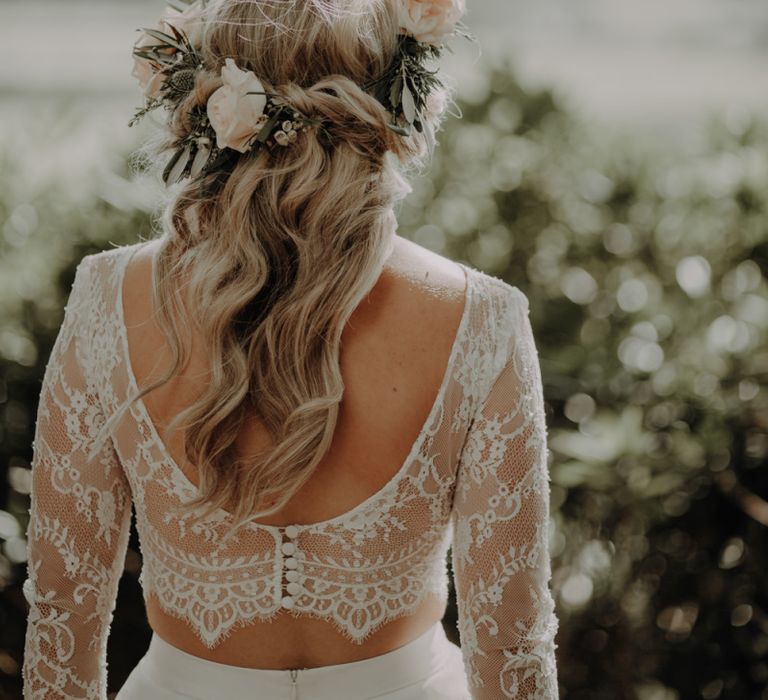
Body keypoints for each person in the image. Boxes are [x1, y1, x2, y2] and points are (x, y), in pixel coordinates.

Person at [21, 1, 560, 698]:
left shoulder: (108, 300)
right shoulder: (480, 319)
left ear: (208, 102)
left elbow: (61, 623)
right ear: (397, 96)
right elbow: (510, 642)